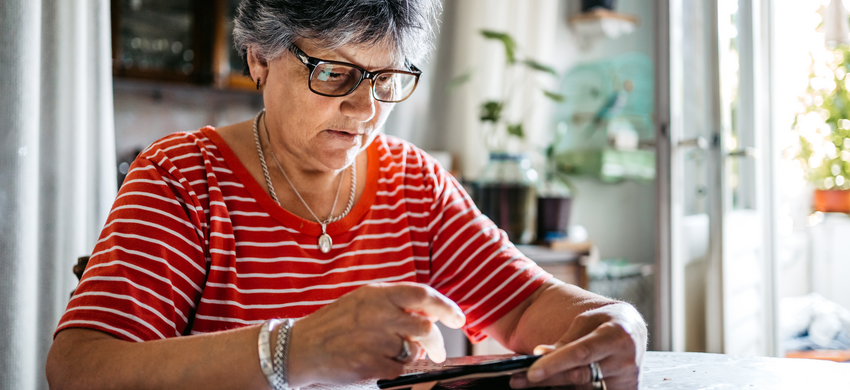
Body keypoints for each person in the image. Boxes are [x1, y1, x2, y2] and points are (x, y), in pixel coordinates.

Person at [46, 0, 647, 389]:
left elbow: (521, 307)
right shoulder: (183, 179)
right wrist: (295, 349)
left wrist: (617, 323)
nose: (365, 110)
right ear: (259, 59)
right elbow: (79, 369)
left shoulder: (414, 181)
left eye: (386, 80)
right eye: (334, 73)